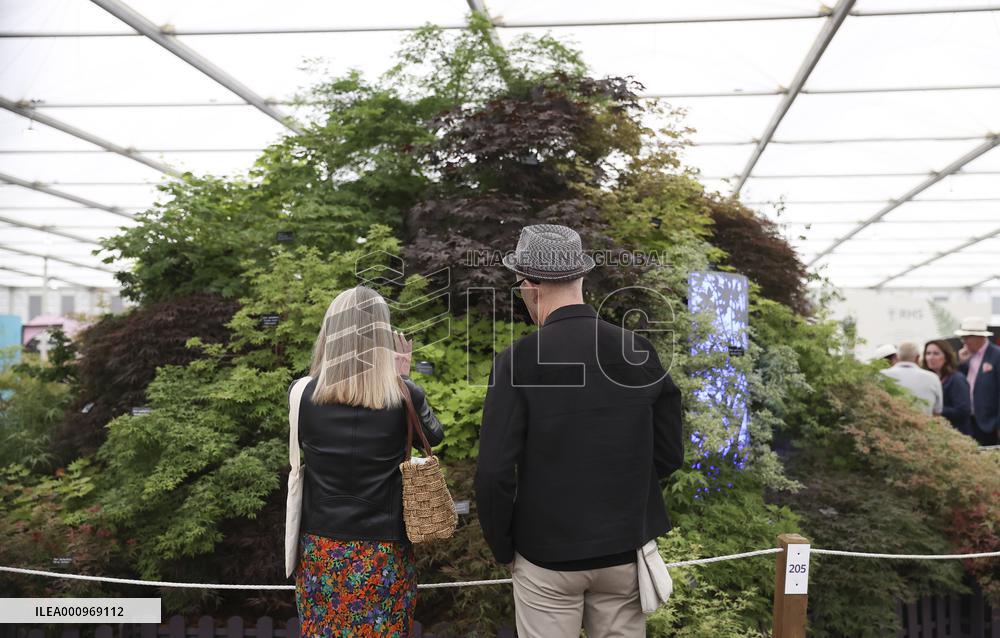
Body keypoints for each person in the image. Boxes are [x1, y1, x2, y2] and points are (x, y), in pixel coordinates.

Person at [475, 224, 684, 638]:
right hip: (623, 547)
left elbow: (494, 473)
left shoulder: (519, 360)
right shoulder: (637, 350)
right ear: (581, 277)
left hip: (546, 553)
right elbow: (669, 453)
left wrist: (503, 546)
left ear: (530, 285)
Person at [288, 285, 445, 635]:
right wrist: (404, 380)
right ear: (381, 336)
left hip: (321, 547)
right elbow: (433, 437)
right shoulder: (403, 394)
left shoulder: (301, 394)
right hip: (384, 550)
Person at [955, 316, 1000, 446]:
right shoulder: (965, 356)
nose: (964, 341)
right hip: (968, 422)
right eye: (963, 337)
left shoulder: (996, 355)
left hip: (989, 424)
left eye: (967, 337)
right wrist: (960, 363)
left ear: (980, 337)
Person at [921, 339, 971, 435]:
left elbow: (963, 411)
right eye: (928, 353)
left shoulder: (957, 379)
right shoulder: (926, 379)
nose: (931, 357)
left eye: (936, 354)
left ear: (946, 357)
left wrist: (936, 410)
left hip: (956, 433)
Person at [879, 341, 943, 416]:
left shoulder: (881, 375)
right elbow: (937, 412)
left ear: (897, 357)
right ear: (917, 357)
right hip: (924, 422)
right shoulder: (933, 378)